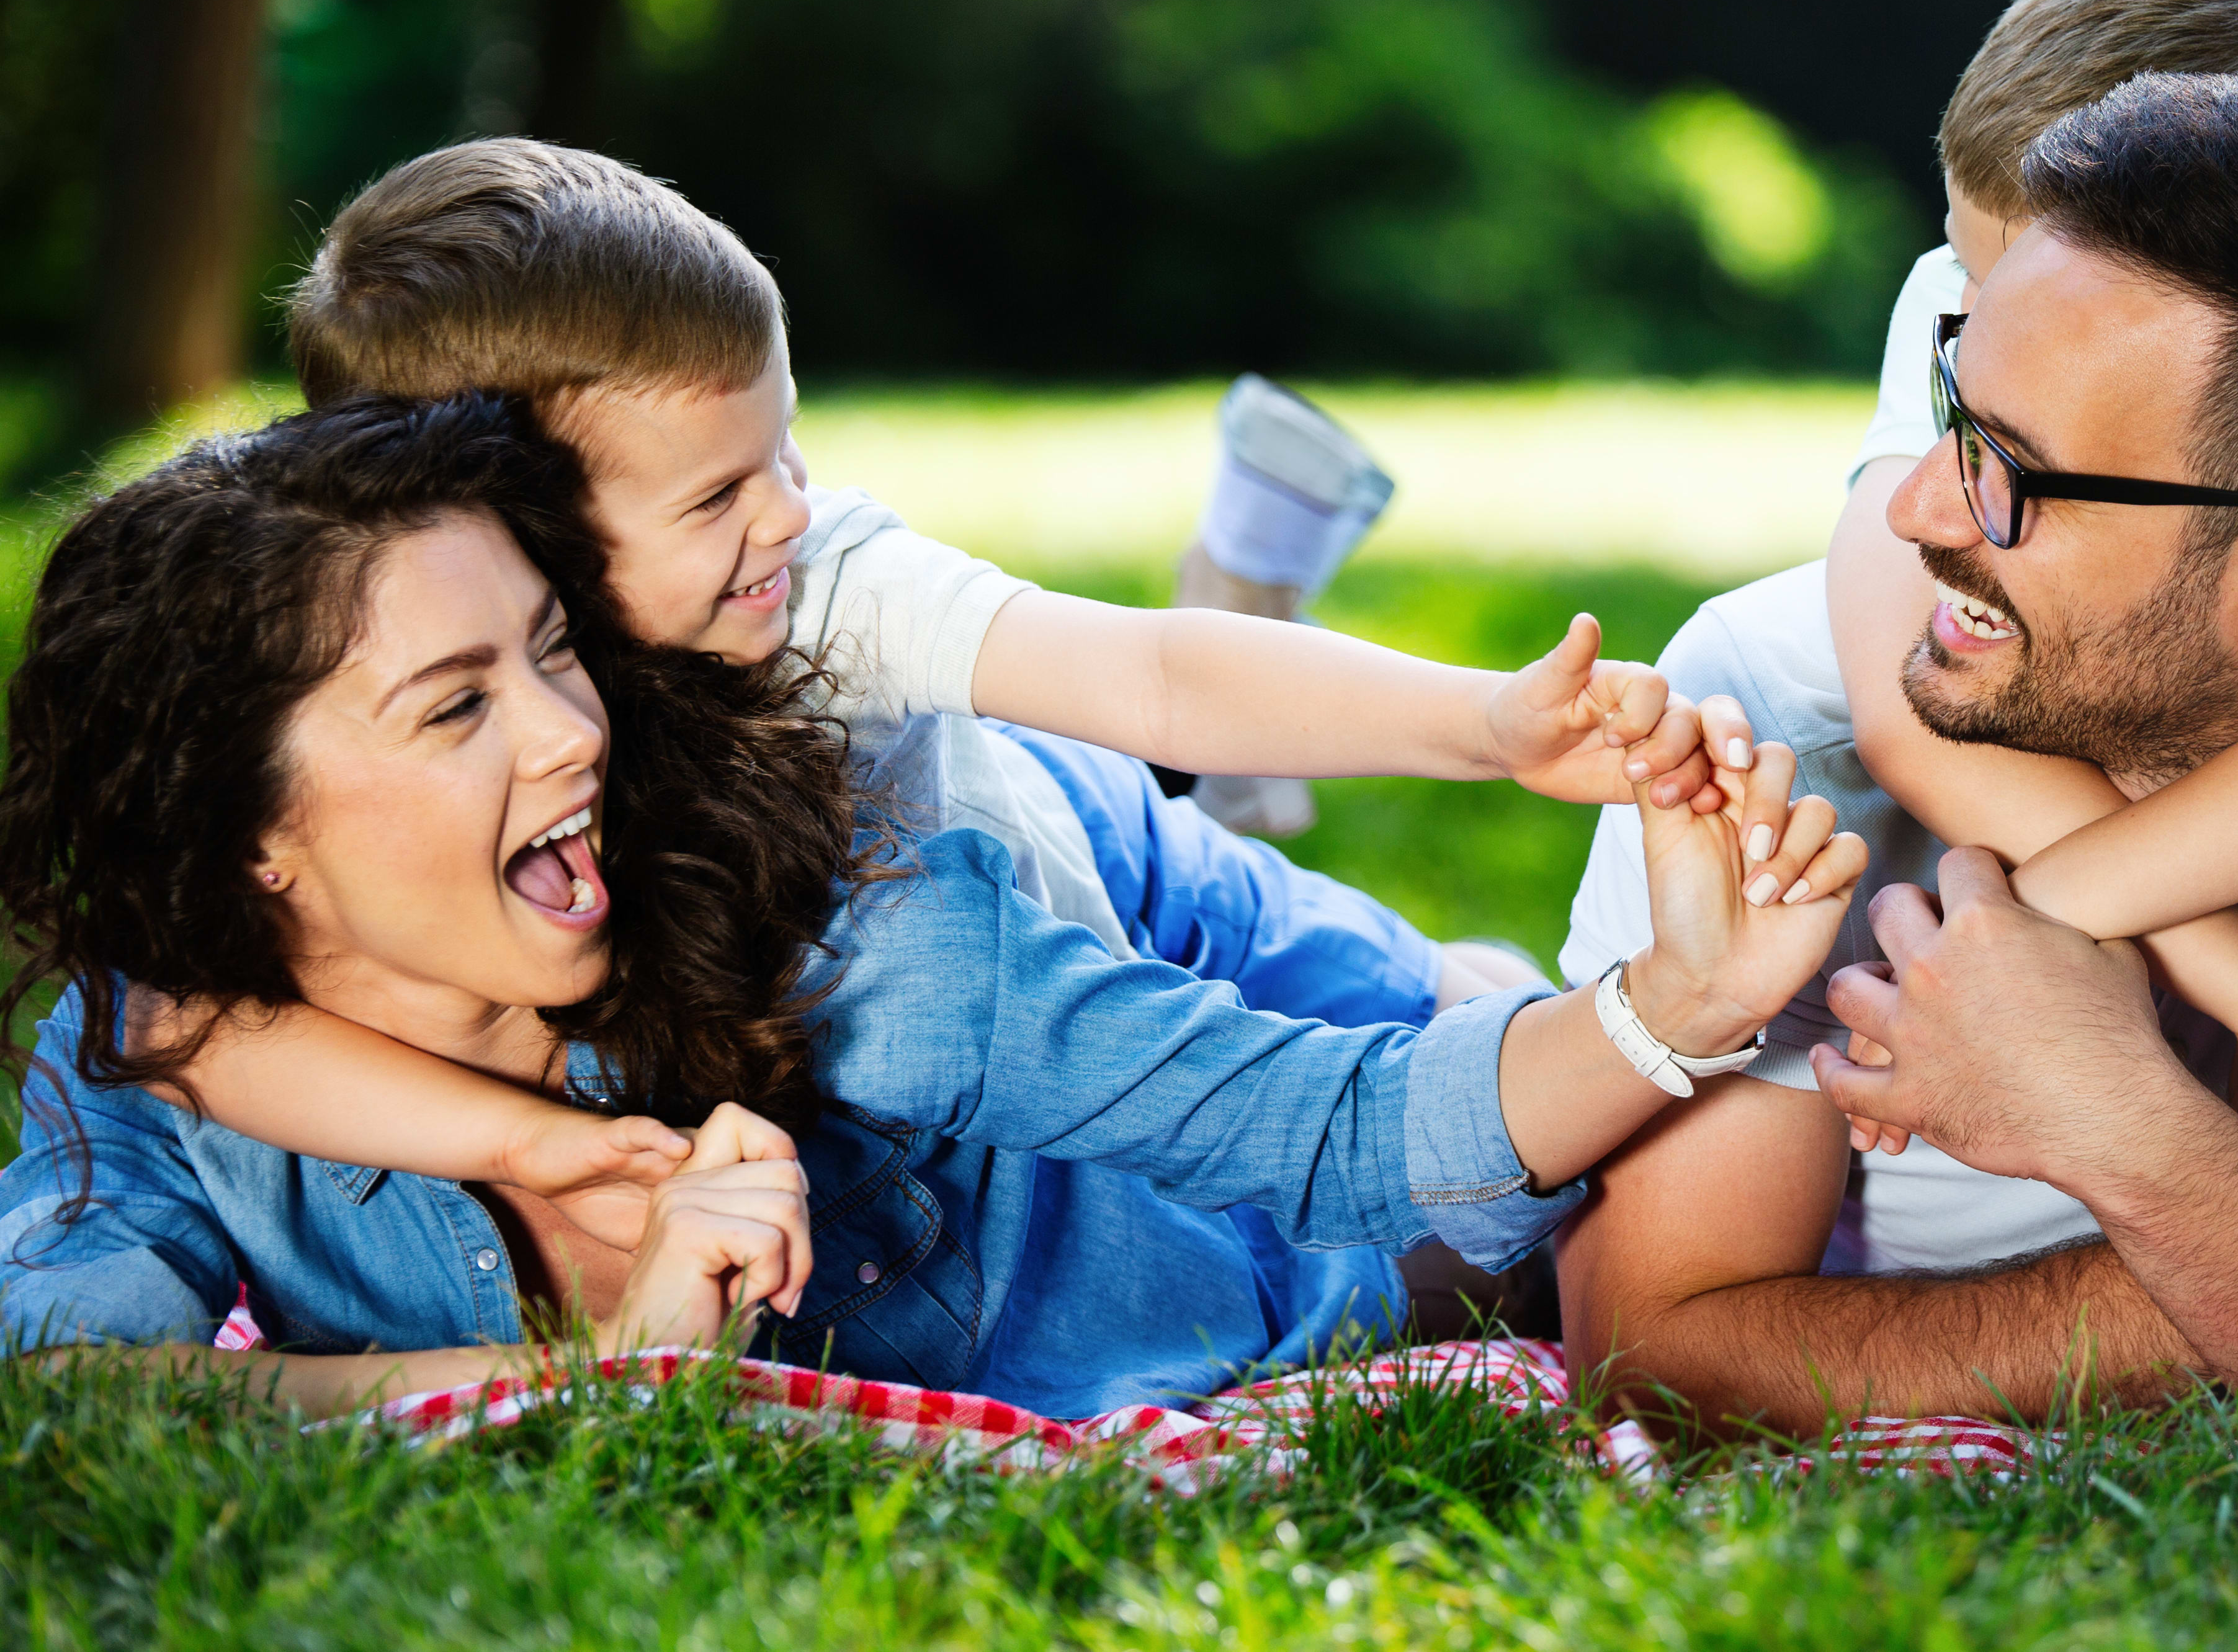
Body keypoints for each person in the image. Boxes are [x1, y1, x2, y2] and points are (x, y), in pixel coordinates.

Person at [0, 396, 1867, 1420]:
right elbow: (72, 1390)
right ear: (246, 837)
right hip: (1051, 901)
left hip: (1186, 1016)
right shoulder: (156, 1059)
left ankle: (1240, 737)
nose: (574, 727)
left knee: (1545, 1167)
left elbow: (1366, 1137)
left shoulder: (848, 949)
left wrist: (1669, 1006)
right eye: (456, 702)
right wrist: (588, 1370)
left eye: (559, 651)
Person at [123, 140, 1789, 1287]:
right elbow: (178, 1025)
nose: (790, 508)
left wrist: (1493, 723)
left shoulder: (812, 576)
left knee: (1460, 1084)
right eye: (716, 494)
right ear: (510, 516)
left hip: (1103, 855)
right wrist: (537, 1150)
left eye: (786, 448)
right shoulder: (395, 705)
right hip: (1033, 952)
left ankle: (1260, 662)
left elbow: (1140, 672)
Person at [1556, 73, 2238, 1435]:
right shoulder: (1781, 711)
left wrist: (2150, 1150)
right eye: (1947, 406)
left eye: (2012, 470)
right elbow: (1659, 1352)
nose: (1915, 504)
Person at [1827, 0, 2238, 1076]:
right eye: (1973, 275)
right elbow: (1901, 719)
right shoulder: (1964, 290)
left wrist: (2052, 906)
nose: (1986, 316)